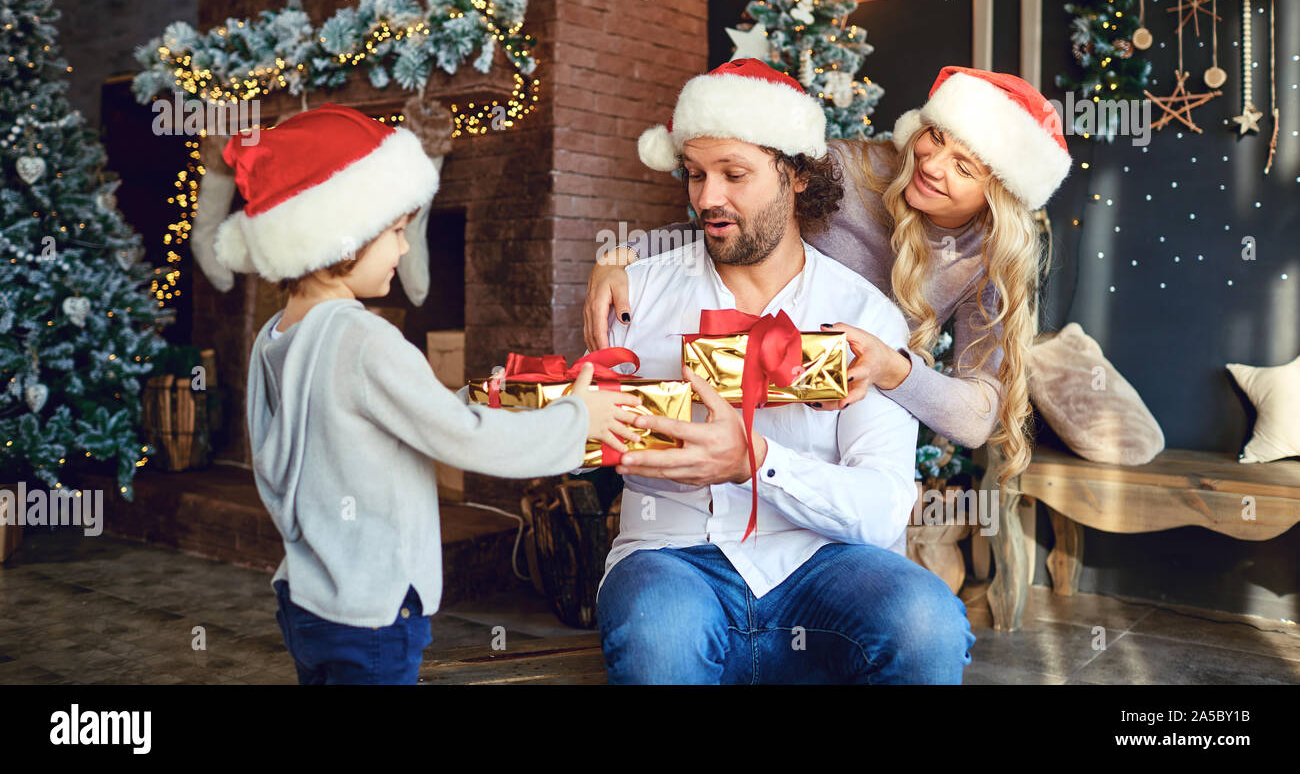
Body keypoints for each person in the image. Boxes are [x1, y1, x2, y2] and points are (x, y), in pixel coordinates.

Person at [212, 103, 641, 684]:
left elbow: (388, 416)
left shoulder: (278, 335)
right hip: (374, 612)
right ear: (343, 236)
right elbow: (464, 442)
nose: (405, 249)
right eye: (394, 232)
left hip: (310, 601)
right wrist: (577, 419)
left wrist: (471, 395)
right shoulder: (361, 337)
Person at [594, 58, 975, 684]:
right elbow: (586, 434)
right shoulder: (632, 295)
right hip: (672, 557)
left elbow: (881, 510)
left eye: (733, 174)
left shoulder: (861, 317)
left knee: (927, 623)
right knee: (661, 638)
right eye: (694, 175)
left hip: (822, 562)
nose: (706, 198)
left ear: (796, 174)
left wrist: (758, 460)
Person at [585, 65, 1072, 485]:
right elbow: (734, 218)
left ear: (1000, 197)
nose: (931, 164)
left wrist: (894, 369)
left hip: (850, 421)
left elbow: (976, 417)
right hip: (750, 384)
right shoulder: (851, 171)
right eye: (936, 137)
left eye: (964, 167)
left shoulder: (987, 263)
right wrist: (625, 253)